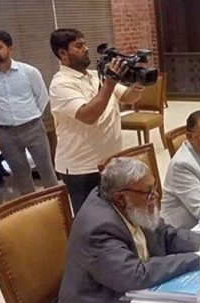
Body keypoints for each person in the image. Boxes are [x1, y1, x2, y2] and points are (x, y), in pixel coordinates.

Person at [44, 157, 200, 303]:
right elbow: (133, 274)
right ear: (120, 198)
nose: (156, 196)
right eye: (148, 192)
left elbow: (165, 233)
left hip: (134, 301)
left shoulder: (134, 207)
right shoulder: (98, 226)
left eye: (154, 187)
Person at [49, 28, 146, 213]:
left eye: (85, 44)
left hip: (110, 161)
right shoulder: (60, 84)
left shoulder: (95, 75)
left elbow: (128, 97)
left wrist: (138, 83)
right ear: (63, 53)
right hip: (82, 168)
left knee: (115, 213)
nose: (86, 49)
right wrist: (109, 82)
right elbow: (89, 116)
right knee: (91, 218)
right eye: (79, 46)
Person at [0, 29, 59, 196]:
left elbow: (42, 97)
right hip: (6, 132)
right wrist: (3, 117)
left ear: (10, 49)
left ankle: (57, 204)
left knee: (47, 171)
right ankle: (31, 208)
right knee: (21, 176)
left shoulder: (29, 72)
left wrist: (30, 115)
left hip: (33, 127)